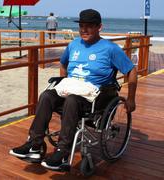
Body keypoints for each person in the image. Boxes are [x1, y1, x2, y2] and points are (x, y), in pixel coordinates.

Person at [9, 9, 137, 171]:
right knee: (47, 95)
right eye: (81, 26)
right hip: (72, 88)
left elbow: (131, 71)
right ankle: (34, 145)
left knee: (72, 100)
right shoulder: (74, 44)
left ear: (99, 27)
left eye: (89, 26)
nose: (84, 30)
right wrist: (64, 81)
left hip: (95, 95)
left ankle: (63, 150)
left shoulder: (110, 48)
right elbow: (63, 64)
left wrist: (131, 98)